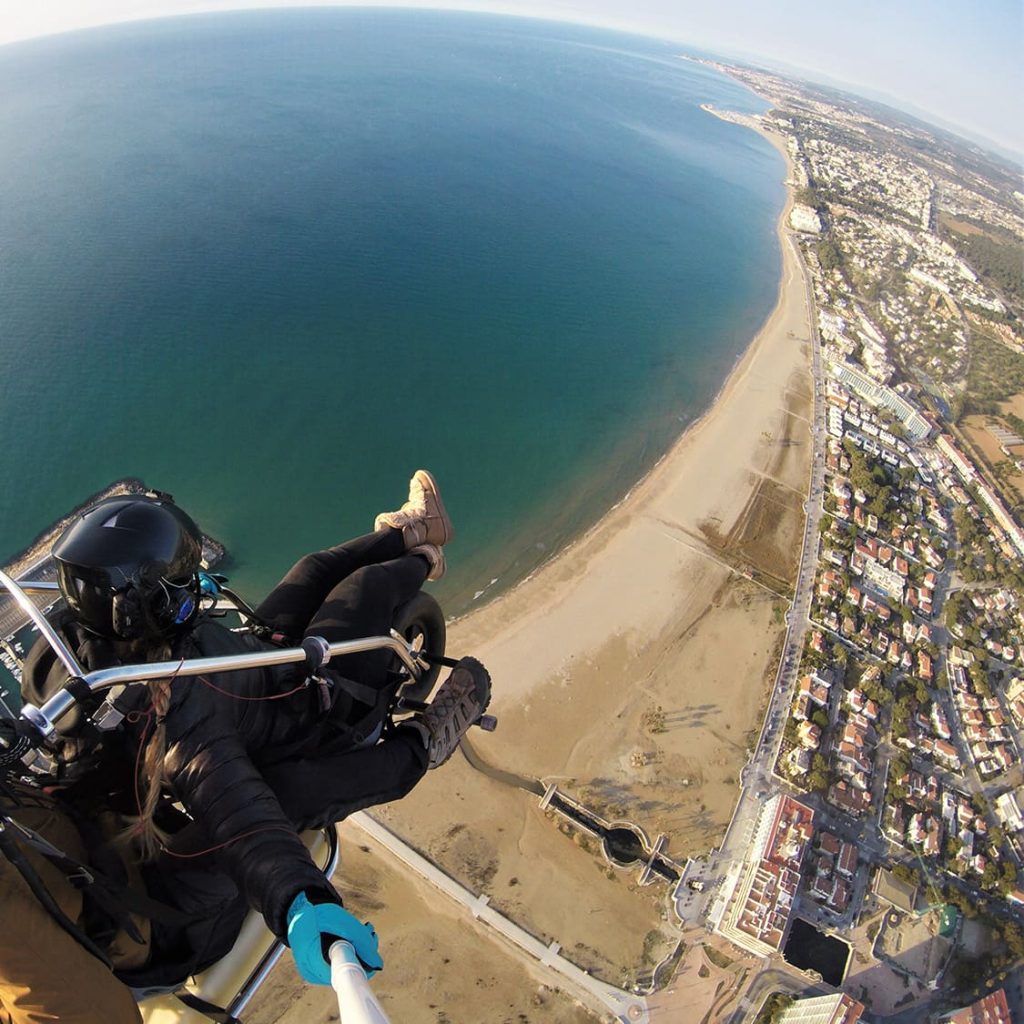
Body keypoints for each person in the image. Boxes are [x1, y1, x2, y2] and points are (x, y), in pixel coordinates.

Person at [1, 472, 491, 1023]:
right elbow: (240, 815)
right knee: (367, 594)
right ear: (163, 603)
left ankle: (419, 533)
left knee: (311, 570)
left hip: (257, 669)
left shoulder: (66, 659)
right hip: (302, 714)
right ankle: (424, 744)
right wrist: (299, 902)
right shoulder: (172, 705)